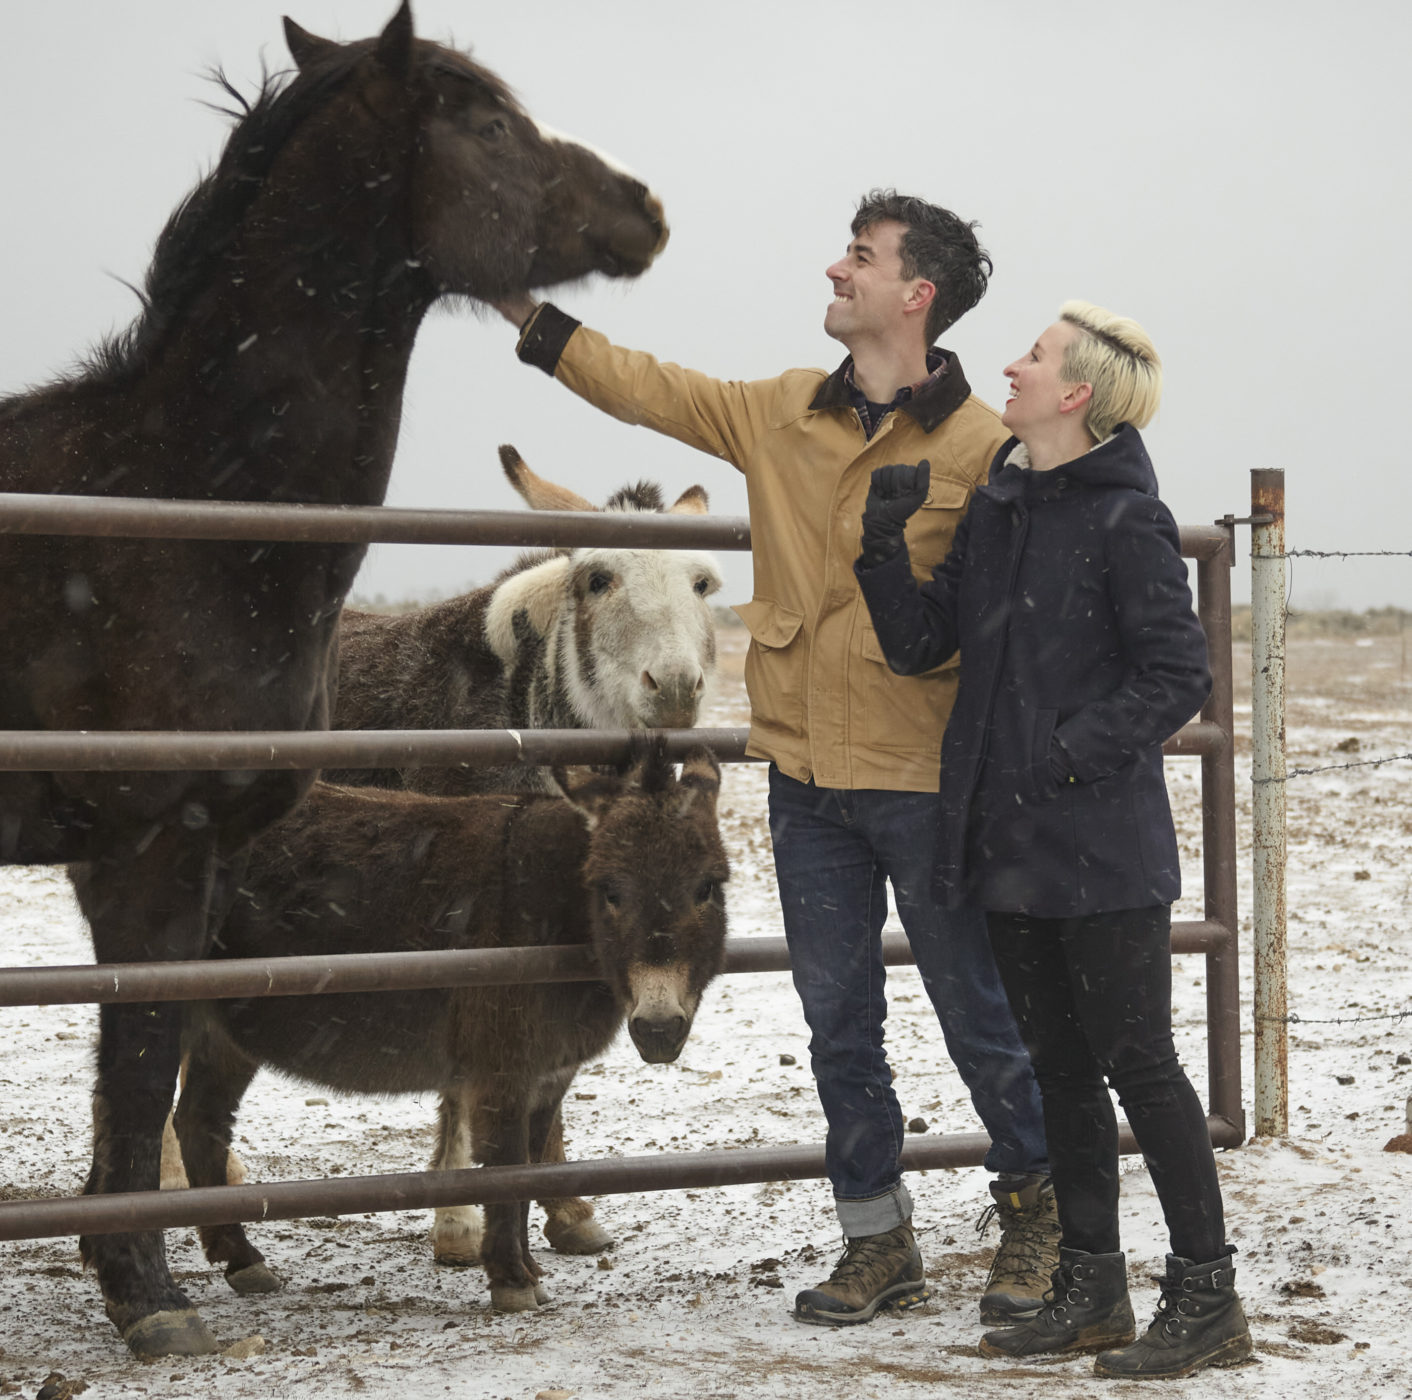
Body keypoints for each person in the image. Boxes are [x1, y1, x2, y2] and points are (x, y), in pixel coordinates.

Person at [489, 191, 1056, 1327]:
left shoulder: (987, 447)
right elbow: (644, 383)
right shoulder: (778, 413)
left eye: (861, 257)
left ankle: (1039, 1216)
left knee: (977, 1009)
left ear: (917, 293)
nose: (836, 270)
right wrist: (516, 302)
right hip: (804, 784)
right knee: (837, 1018)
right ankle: (875, 1240)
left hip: (929, 780)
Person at [853, 302, 1250, 1379]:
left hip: (1103, 848)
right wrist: (882, 549)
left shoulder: (1127, 523)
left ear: (1077, 394)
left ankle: (1207, 1292)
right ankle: (1092, 1285)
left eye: (1033, 358)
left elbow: (1178, 676)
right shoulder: (1000, 506)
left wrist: (1062, 751)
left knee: (1140, 1065)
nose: (1011, 369)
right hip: (1006, 844)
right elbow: (927, 641)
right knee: (1060, 1070)